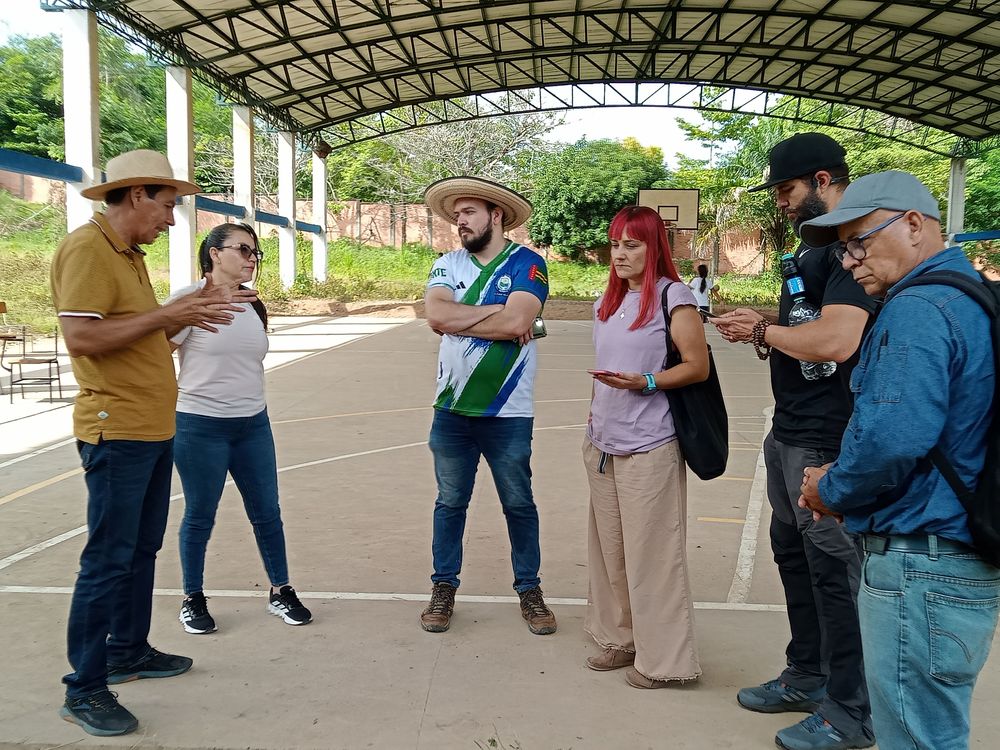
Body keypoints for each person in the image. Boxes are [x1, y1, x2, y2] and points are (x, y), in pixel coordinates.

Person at [50, 150, 255, 737]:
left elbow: (138, 334)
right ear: (136, 195)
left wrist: (189, 314)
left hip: (152, 425)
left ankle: (128, 649)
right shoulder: (87, 249)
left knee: (141, 549)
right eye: (166, 206)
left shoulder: (130, 256)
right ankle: (85, 687)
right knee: (108, 558)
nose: (170, 220)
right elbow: (84, 336)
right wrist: (170, 312)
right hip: (117, 428)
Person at [797, 170, 999, 750]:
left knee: (915, 737)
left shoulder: (919, 309)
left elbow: (891, 437)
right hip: (958, 560)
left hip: (921, 564)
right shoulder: (972, 298)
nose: (851, 260)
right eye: (843, 248)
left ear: (914, 225)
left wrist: (828, 490)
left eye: (860, 240)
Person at [713, 133, 877, 750]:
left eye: (786, 189)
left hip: (829, 439)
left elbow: (837, 342)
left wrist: (765, 327)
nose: (780, 202)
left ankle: (850, 709)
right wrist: (765, 332)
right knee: (794, 555)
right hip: (790, 430)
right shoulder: (811, 254)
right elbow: (803, 337)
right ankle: (807, 673)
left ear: (824, 180)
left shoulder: (851, 253)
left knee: (834, 568)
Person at [419, 176, 556, 635]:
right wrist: (495, 316)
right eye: (456, 215)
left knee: (519, 504)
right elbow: (436, 315)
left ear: (496, 215)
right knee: (450, 502)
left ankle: (530, 589)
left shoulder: (528, 264)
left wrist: (467, 318)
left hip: (508, 411)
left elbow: (520, 319)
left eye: (469, 212)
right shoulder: (446, 264)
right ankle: (443, 587)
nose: (460, 221)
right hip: (451, 410)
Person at [583, 205, 707, 689]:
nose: (620, 254)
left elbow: (696, 366)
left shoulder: (672, 296)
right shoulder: (607, 301)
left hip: (650, 444)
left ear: (654, 248)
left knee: (653, 556)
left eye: (632, 245)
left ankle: (665, 662)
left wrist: (648, 381)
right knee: (609, 550)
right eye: (615, 244)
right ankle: (619, 639)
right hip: (601, 442)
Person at [169, 223, 312, 635]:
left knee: (268, 512)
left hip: (253, 424)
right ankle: (192, 598)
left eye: (256, 253)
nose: (252, 258)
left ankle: (281, 590)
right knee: (200, 514)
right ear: (214, 253)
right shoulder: (187, 300)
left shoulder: (252, 304)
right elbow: (158, 350)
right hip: (200, 426)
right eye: (244, 250)